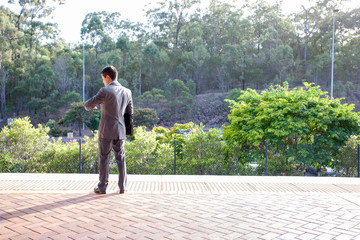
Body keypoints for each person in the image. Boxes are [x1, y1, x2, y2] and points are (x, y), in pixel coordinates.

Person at [84, 65, 133, 194]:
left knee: (104, 158)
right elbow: (129, 113)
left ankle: (102, 186)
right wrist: (126, 131)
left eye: (103, 78)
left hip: (106, 131)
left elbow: (88, 104)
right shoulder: (127, 92)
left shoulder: (105, 91)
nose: (103, 81)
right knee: (120, 159)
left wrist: (91, 106)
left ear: (107, 77)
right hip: (120, 131)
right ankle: (122, 187)